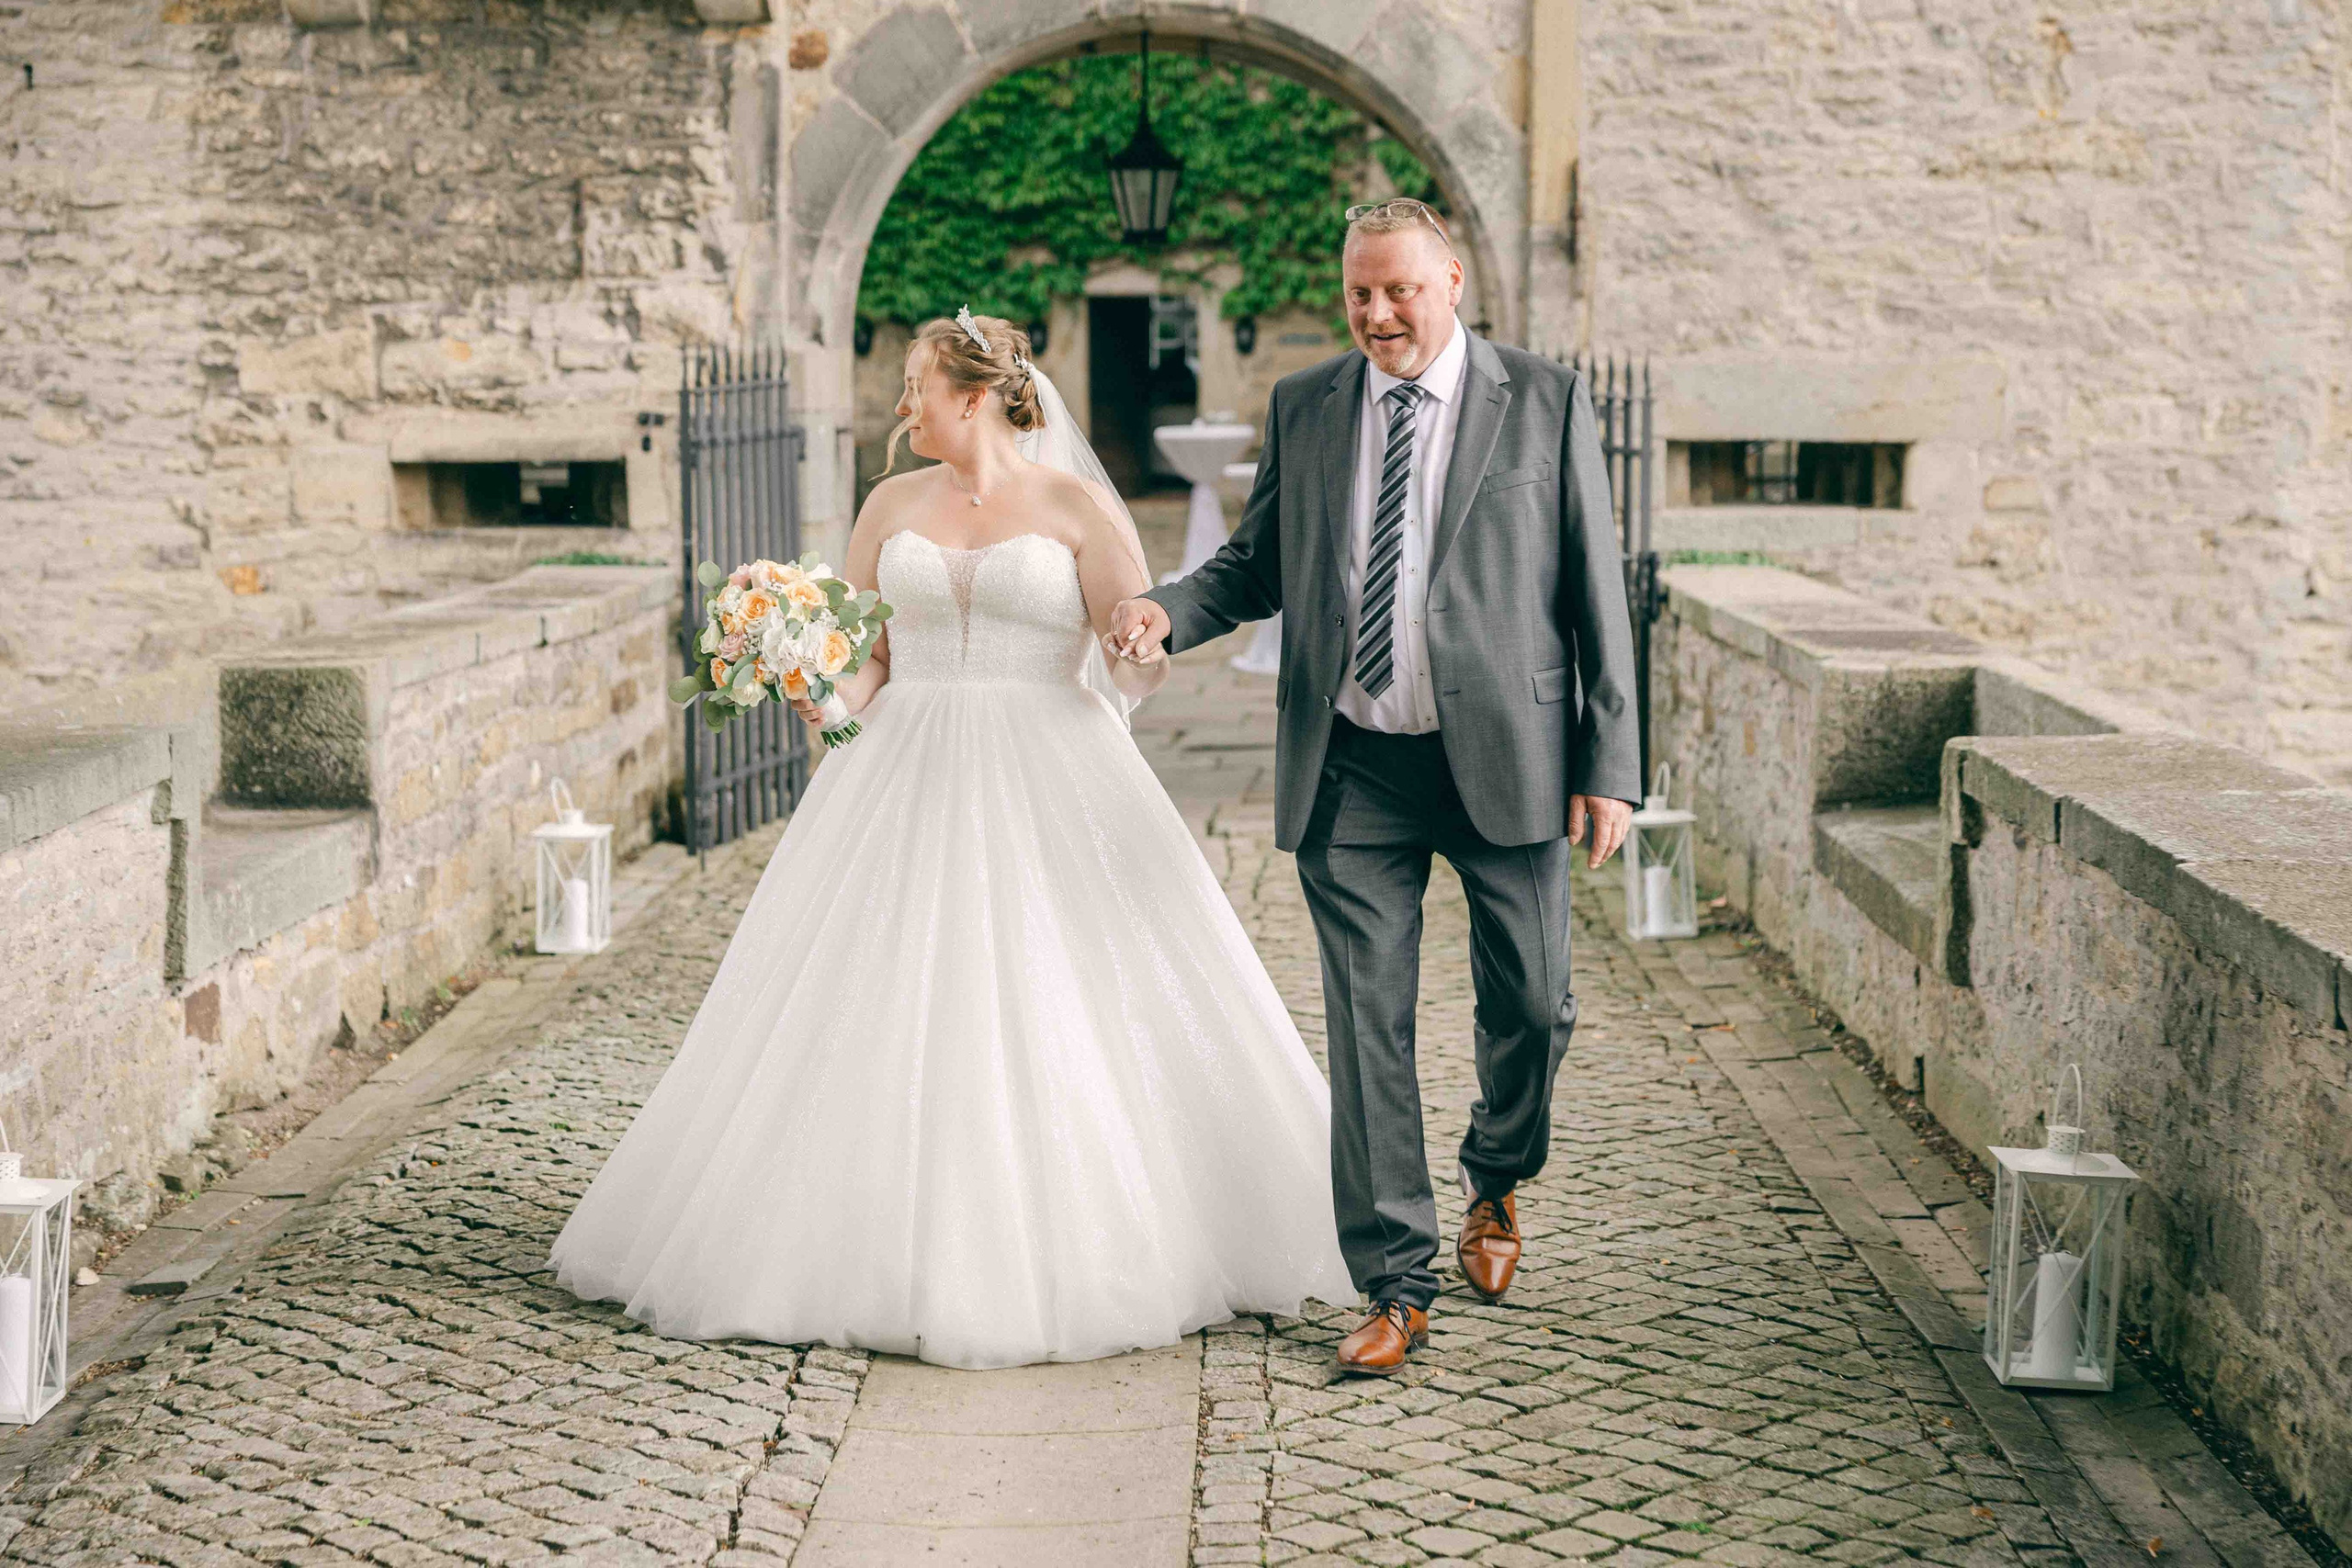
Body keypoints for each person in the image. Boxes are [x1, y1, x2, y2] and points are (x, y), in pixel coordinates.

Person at [548, 310, 1353, 1370]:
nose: (902, 406)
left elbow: (1136, 654)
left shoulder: (1074, 506)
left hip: (1052, 765)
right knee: (869, 992)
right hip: (901, 766)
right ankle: (848, 1235)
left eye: (915, 386)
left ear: (971, 395)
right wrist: (815, 688)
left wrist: (1135, 640)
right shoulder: (889, 505)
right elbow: (869, 660)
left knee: (1059, 988)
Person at [1112, 199, 1644, 1377]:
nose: (1377, 313)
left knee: (1538, 1003)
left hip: (1508, 756)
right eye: (1359, 292)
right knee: (1367, 1030)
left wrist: (1610, 764)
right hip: (1355, 765)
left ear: (1451, 280)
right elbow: (1256, 565)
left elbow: (1593, 588)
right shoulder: (1308, 406)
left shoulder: (1541, 401)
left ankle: (1495, 1176)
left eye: (1399, 289)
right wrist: (1166, 612)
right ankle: (1395, 1281)